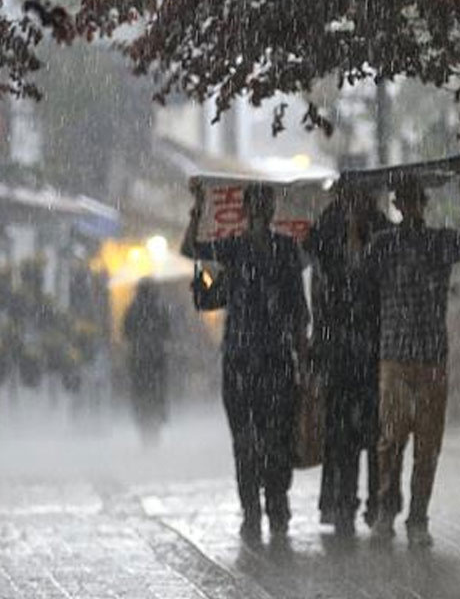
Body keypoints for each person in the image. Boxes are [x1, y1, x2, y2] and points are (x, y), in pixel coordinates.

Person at [364, 169, 460, 547]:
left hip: (430, 356)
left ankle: (418, 517)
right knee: (390, 440)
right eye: (404, 200)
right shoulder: (383, 244)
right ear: (398, 205)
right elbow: (358, 272)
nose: (410, 206)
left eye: (415, 199)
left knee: (427, 445)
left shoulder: (439, 242)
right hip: (396, 356)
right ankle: (387, 508)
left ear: (422, 204)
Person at [184, 184, 309, 543]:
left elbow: (298, 311)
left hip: (274, 360)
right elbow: (196, 251)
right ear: (247, 210)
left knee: (276, 437)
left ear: (269, 210)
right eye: (255, 205)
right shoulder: (234, 250)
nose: (260, 212)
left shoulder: (285, 251)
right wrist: (198, 208)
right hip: (241, 361)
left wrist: (302, 358)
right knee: (246, 440)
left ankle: (275, 503)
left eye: (263, 205)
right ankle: (253, 508)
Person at [303, 185, 391, 537]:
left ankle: (375, 503)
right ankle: (343, 503)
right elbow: (316, 261)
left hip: (371, 349)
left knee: (373, 433)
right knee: (341, 434)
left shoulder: (380, 228)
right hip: (338, 349)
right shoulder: (328, 227)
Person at [123, 277, 172, 447]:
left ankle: (144, 430)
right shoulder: (160, 308)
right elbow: (168, 331)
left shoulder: (133, 309)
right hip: (157, 359)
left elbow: (126, 332)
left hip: (138, 360)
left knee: (141, 395)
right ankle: (156, 427)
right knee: (157, 394)